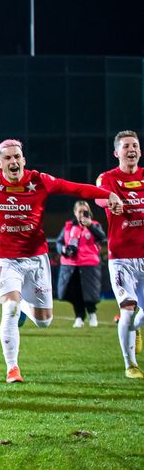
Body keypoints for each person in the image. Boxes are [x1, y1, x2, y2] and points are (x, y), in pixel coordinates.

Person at [0, 138, 122, 383]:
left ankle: (26, 307)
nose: (13, 161)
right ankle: (12, 368)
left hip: (36, 259)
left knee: (45, 321)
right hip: (5, 259)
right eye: (7, 158)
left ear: (24, 160)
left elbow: (76, 189)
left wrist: (107, 194)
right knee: (9, 308)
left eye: (17, 157)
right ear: (0, 163)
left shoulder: (40, 181)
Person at [96, 131, 144, 378]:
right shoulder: (108, 178)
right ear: (117, 153)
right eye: (126, 146)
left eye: (135, 145)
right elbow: (99, 196)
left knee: (139, 315)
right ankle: (131, 365)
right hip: (122, 256)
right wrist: (110, 201)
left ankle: (136, 329)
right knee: (127, 307)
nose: (132, 149)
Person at [55, 200, 106, 327]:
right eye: (80, 211)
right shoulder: (68, 226)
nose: (82, 214)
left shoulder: (95, 225)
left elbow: (102, 237)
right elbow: (59, 241)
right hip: (70, 264)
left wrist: (90, 226)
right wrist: (63, 250)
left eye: (85, 211)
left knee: (89, 292)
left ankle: (92, 314)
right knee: (74, 293)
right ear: (75, 212)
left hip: (89, 263)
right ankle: (79, 317)